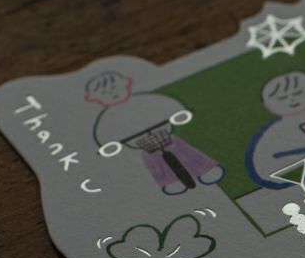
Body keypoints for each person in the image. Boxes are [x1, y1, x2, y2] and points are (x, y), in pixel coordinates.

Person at [86, 70, 225, 196]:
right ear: (93, 98)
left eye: (114, 88)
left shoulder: (146, 100)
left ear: (126, 83)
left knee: (186, 151)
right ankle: (169, 181)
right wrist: (111, 145)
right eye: (104, 93)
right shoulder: (107, 119)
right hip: (144, 146)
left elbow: (169, 106)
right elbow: (106, 138)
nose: (112, 93)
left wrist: (178, 114)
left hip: (165, 136)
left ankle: (205, 168)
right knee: (155, 163)